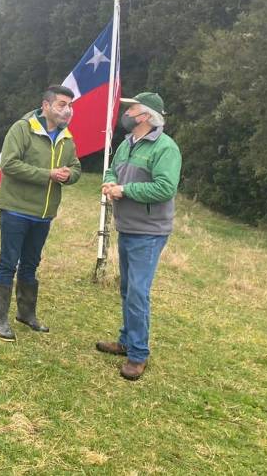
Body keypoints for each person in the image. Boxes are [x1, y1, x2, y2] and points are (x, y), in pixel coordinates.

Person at [97, 92, 182, 381]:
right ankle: (126, 340)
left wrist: (125, 191)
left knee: (137, 293)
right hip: (128, 227)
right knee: (127, 290)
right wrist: (110, 181)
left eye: (131, 109)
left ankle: (138, 355)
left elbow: (165, 188)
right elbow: (112, 169)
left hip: (149, 232)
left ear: (145, 116)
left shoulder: (165, 148)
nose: (127, 113)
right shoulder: (127, 144)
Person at [0, 85, 82, 341]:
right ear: (46, 105)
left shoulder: (66, 137)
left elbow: (76, 167)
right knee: (8, 263)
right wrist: (48, 175)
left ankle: (26, 314)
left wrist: (68, 176)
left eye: (70, 105)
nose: (68, 110)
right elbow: (9, 164)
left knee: (31, 265)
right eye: (62, 104)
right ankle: (1, 320)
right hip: (16, 209)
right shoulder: (22, 129)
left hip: (44, 214)